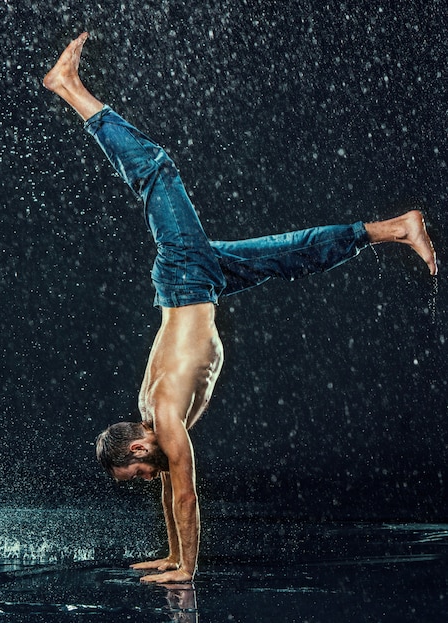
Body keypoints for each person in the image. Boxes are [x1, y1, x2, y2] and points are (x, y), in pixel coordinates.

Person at [43, 33, 438, 584]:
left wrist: (188, 571)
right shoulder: (158, 422)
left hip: (187, 279)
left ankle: (69, 89)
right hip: (199, 282)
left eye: (134, 472)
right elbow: (167, 489)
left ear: (137, 444)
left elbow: (185, 496)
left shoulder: (165, 423)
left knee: (156, 169)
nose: (142, 477)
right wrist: (171, 556)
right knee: (291, 255)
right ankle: (396, 228)